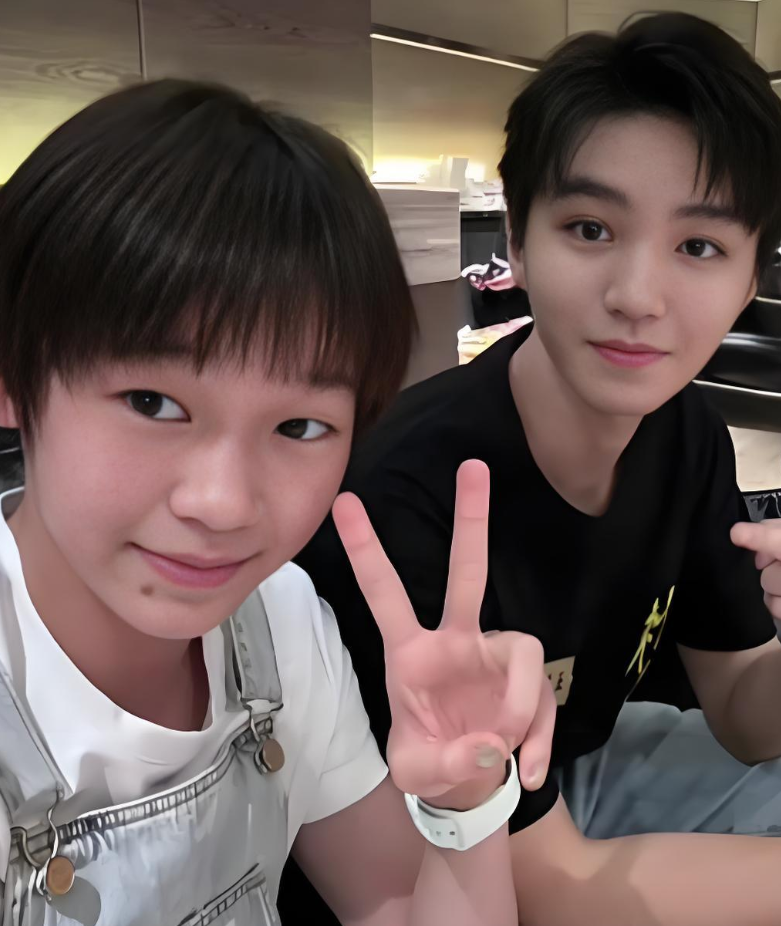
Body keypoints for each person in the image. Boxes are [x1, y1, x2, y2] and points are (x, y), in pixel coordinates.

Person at [0, 79, 552, 926]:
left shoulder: (281, 621)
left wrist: (466, 796)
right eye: (153, 403)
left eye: (299, 426)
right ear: (13, 377)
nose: (223, 503)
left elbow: (396, 907)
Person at [293, 12, 781, 925]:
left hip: (577, 778)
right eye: (589, 228)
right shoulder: (405, 496)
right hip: (441, 860)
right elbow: (544, 889)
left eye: (698, 247)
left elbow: (748, 717)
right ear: (516, 243)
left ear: (749, 278)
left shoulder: (686, 433)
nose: (636, 296)